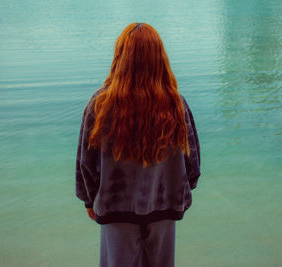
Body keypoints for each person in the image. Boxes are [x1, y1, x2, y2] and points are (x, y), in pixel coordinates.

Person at [75, 22, 201, 267]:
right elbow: (192, 163)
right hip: (165, 207)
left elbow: (85, 164)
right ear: (159, 58)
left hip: (115, 209)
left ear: (120, 57)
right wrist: (182, 190)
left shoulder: (99, 105)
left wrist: (90, 201)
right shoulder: (176, 104)